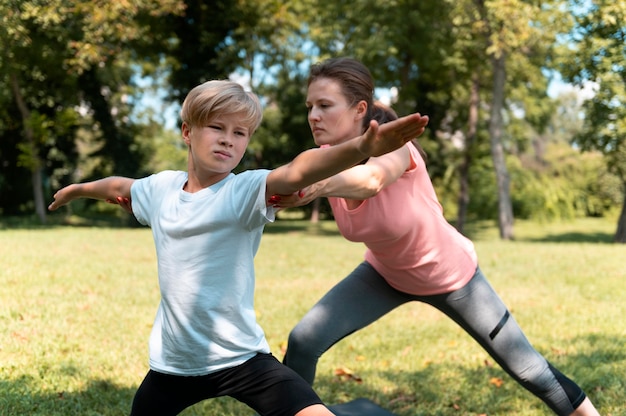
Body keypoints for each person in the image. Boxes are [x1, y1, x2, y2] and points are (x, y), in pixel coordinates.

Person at [47, 79, 429, 416]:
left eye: (241, 133)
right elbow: (119, 186)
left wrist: (361, 146)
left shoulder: (245, 190)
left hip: (241, 358)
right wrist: (76, 191)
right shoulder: (161, 189)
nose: (229, 139)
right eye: (217, 127)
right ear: (187, 131)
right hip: (173, 364)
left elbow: (299, 170)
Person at [277, 57, 600, 416]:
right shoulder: (324, 157)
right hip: (385, 275)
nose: (313, 116)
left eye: (324, 105)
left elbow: (371, 181)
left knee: (531, 371)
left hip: (452, 277)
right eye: (310, 106)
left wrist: (317, 185)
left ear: (359, 110)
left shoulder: (396, 145)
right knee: (303, 341)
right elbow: (281, 180)